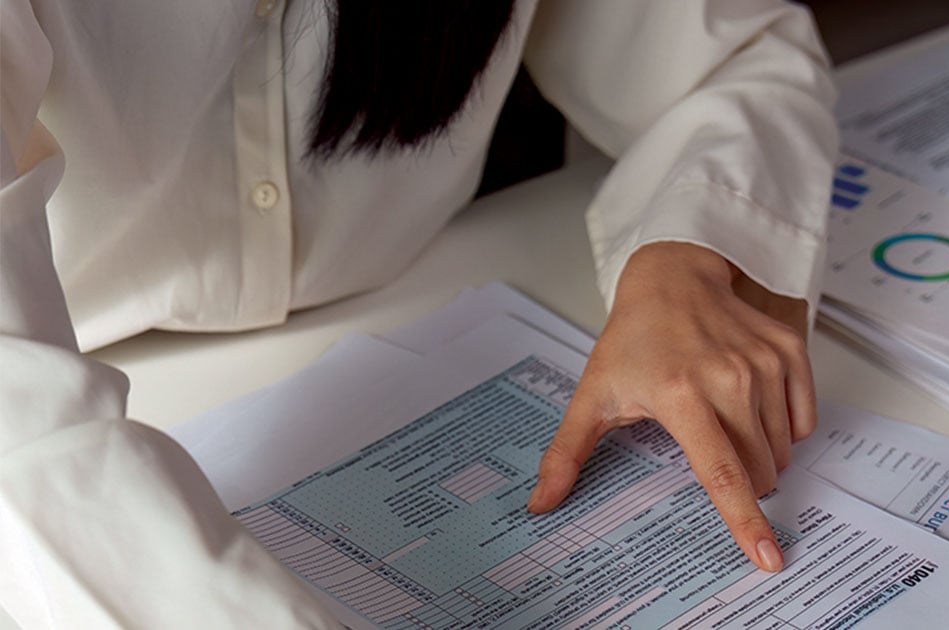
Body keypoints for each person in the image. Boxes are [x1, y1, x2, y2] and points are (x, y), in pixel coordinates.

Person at [0, 0, 837, 626]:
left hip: (439, 299)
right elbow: (25, 441)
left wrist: (684, 262)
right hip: (83, 371)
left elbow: (733, 55)